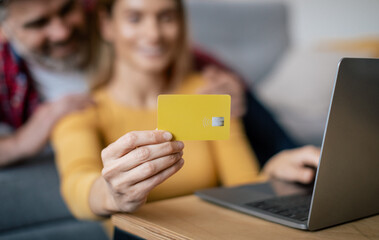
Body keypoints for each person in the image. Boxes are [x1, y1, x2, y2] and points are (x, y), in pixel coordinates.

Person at [52, 0, 320, 227]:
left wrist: (272, 175)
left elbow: (242, 186)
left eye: (166, 17)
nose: (154, 34)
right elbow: (77, 186)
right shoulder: (82, 111)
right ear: (106, 25)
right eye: (135, 18)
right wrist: (111, 195)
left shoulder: (206, 93)